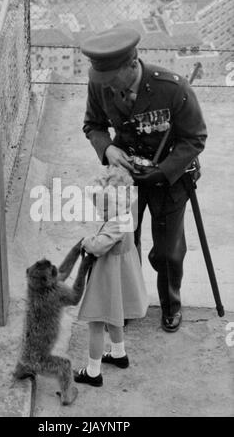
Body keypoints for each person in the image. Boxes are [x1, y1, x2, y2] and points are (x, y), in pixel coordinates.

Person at [80, 24, 207, 333]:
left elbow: (195, 138)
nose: (107, 86)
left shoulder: (173, 88)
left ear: (131, 64)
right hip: (126, 180)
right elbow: (93, 125)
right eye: (103, 80)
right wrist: (108, 148)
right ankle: (128, 302)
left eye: (112, 79)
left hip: (170, 178)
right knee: (125, 245)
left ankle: (170, 304)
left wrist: (163, 171)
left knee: (167, 249)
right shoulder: (100, 85)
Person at [74, 166, 148, 387]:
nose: (100, 210)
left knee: (96, 322)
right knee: (115, 315)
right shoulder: (127, 216)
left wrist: (86, 241)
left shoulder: (116, 224)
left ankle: (93, 372)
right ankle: (118, 353)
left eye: (104, 206)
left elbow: (98, 246)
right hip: (120, 276)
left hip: (107, 279)